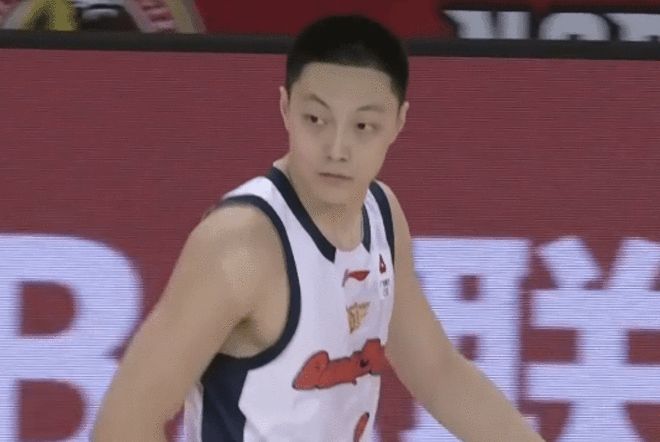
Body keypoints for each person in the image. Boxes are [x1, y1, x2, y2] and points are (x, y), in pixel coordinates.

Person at [92, 14, 544, 442]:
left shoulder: (381, 214)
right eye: (316, 119)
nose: (337, 148)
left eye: (364, 125)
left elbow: (438, 373)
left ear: (399, 122)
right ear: (285, 108)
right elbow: (124, 423)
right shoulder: (241, 244)